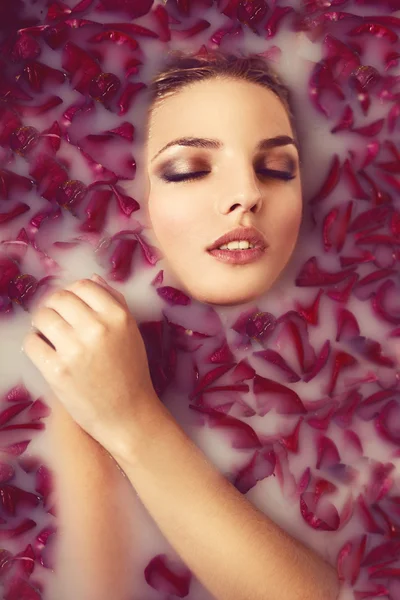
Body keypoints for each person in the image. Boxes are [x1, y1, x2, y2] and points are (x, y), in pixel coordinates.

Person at [22, 50, 341, 600]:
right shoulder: (79, 347)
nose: (248, 194)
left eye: (276, 168)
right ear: (129, 197)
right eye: (189, 169)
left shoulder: (362, 343)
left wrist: (133, 420)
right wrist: (121, 417)